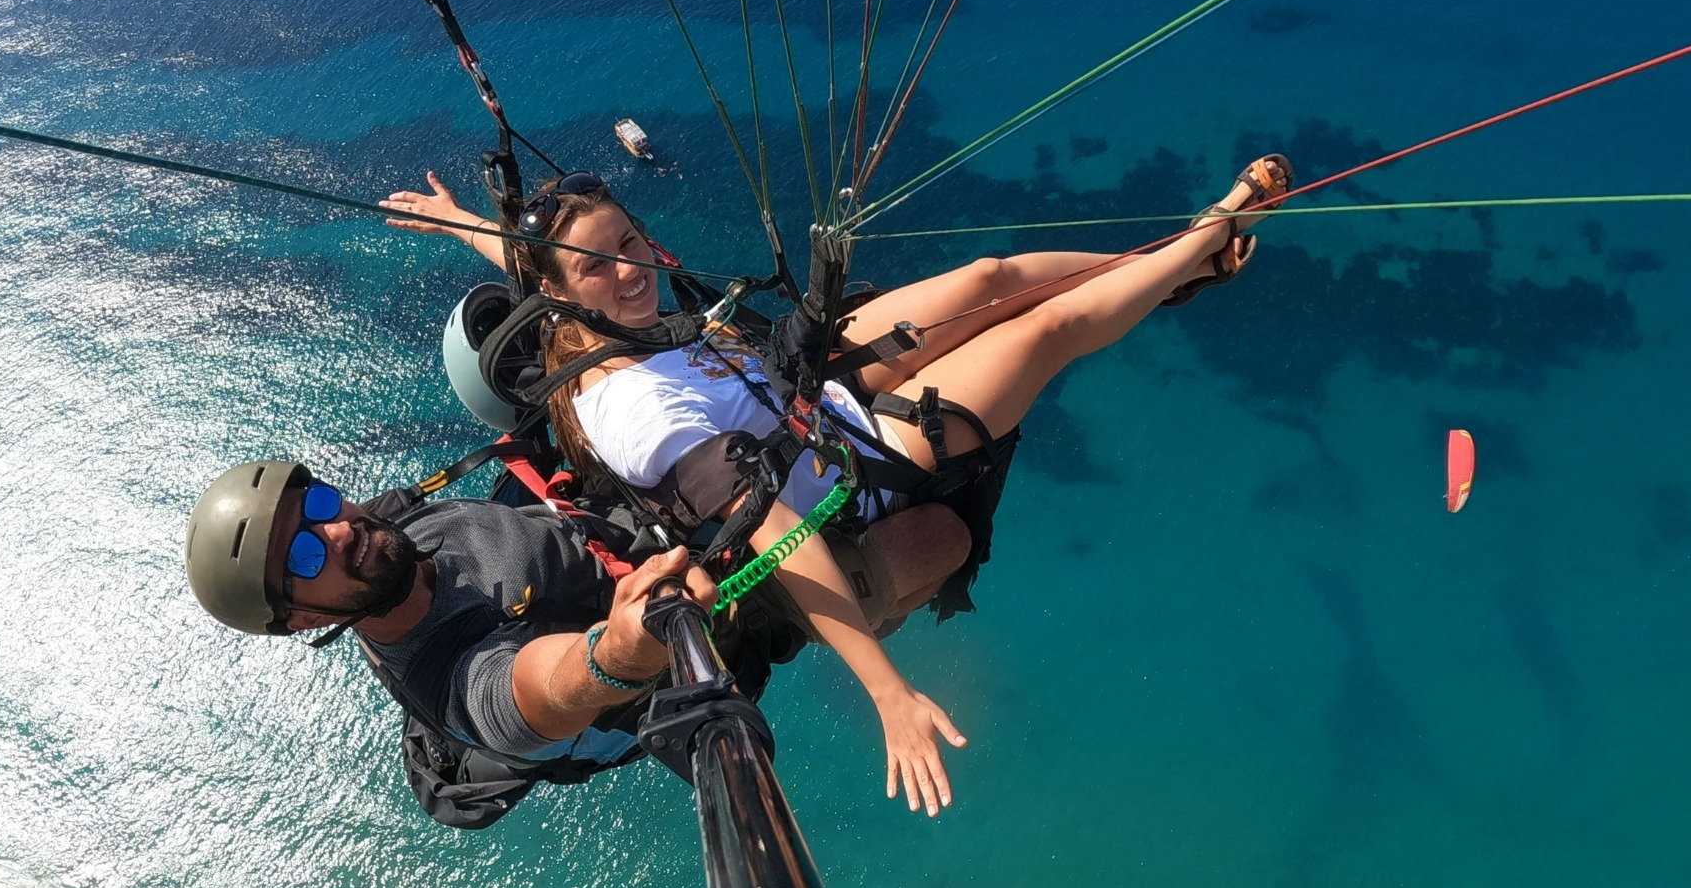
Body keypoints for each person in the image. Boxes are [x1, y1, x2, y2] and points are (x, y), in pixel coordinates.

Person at [382, 152, 1291, 817]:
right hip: (847, 475)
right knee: (1039, 334)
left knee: (993, 278)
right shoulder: (630, 410)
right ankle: (1206, 239)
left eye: (629, 240)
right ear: (563, 295)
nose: (630, 269)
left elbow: (545, 266)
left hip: (798, 388)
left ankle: (1169, 269)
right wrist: (887, 691)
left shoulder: (603, 315)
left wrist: (463, 221)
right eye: (600, 266)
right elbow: (774, 526)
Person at [183, 456, 770, 829]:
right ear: (304, 620)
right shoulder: (448, 674)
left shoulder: (385, 536)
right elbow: (534, 693)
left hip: (614, 526)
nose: (337, 531)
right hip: (692, 607)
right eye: (304, 557)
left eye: (317, 501)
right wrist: (614, 657)